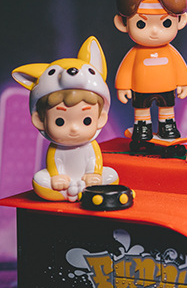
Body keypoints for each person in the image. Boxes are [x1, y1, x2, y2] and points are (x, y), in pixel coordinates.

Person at [12, 37, 118, 201]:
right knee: (40, 180)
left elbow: (93, 160)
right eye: (60, 122)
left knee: (111, 175)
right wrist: (57, 176)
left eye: (86, 121)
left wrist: (94, 174)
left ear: (101, 118)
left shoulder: (90, 146)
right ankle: (74, 192)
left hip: (87, 179)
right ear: (40, 120)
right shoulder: (56, 149)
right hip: (64, 182)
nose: (74, 128)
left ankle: (80, 190)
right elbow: (56, 163)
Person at [114, 0, 187, 142]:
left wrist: (183, 83)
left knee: (167, 106)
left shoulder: (170, 52)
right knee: (141, 108)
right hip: (141, 88)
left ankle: (167, 125)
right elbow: (126, 69)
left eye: (165, 23)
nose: (154, 31)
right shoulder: (135, 53)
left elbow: (180, 67)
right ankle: (142, 127)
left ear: (180, 21)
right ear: (122, 23)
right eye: (141, 24)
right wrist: (123, 87)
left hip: (167, 87)